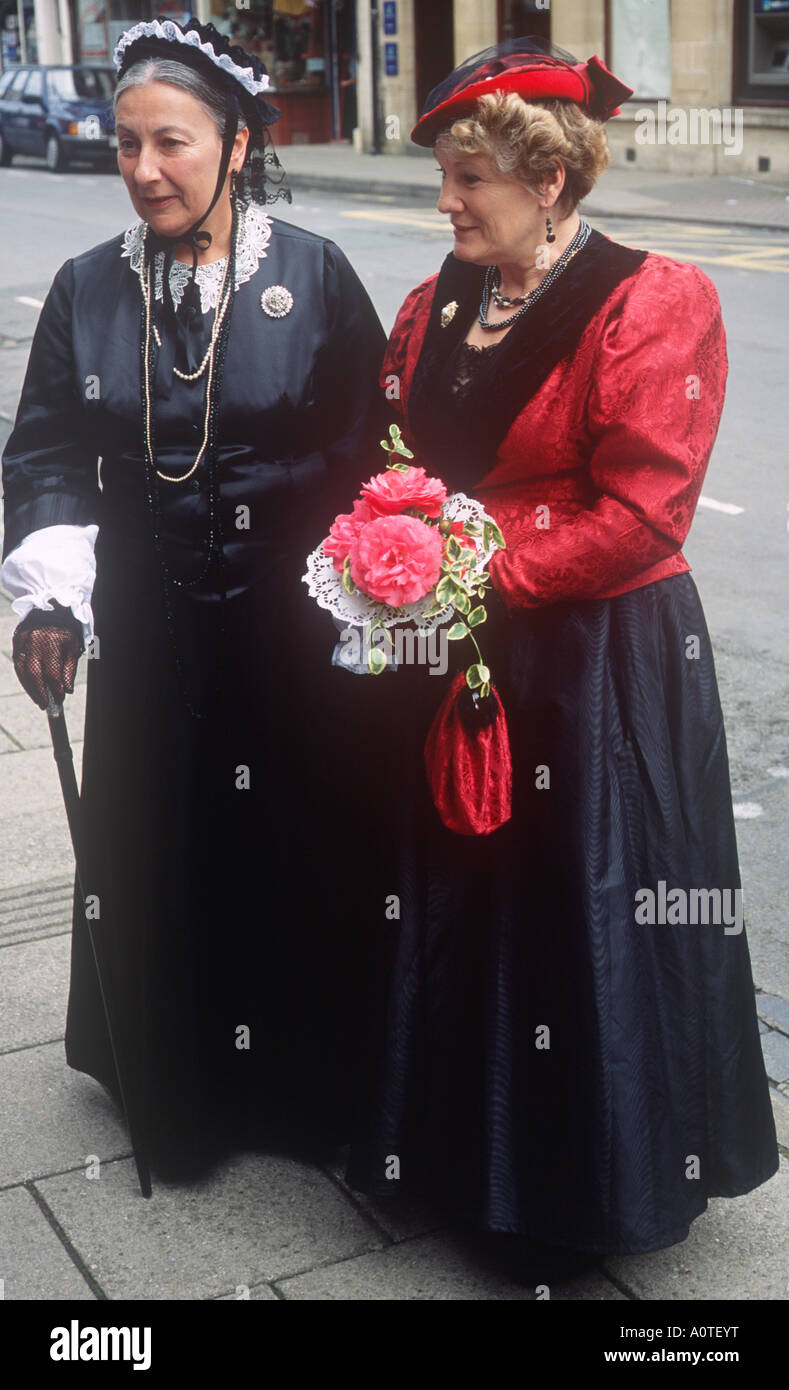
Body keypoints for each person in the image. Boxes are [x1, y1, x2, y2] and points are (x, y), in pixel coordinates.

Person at [344, 39, 779, 1280]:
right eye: (442, 174)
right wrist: (385, 540)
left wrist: (467, 572)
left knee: (582, 911)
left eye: (468, 173)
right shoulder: (440, 300)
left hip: (598, 667)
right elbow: (394, 450)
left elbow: (645, 512)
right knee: (473, 908)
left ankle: (594, 1185)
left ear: (550, 176)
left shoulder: (654, 299)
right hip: (467, 647)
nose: (444, 200)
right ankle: (471, 1159)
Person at [1, 17, 386, 1179]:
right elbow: (49, 453)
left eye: (170, 142)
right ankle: (178, 1088)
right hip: (159, 630)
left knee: (289, 842)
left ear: (234, 142)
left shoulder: (313, 276)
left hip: (290, 633)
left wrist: (382, 586)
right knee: (160, 845)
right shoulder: (83, 290)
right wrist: (52, 601)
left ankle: (306, 1089)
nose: (142, 170)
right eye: (125, 144)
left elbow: (375, 454)